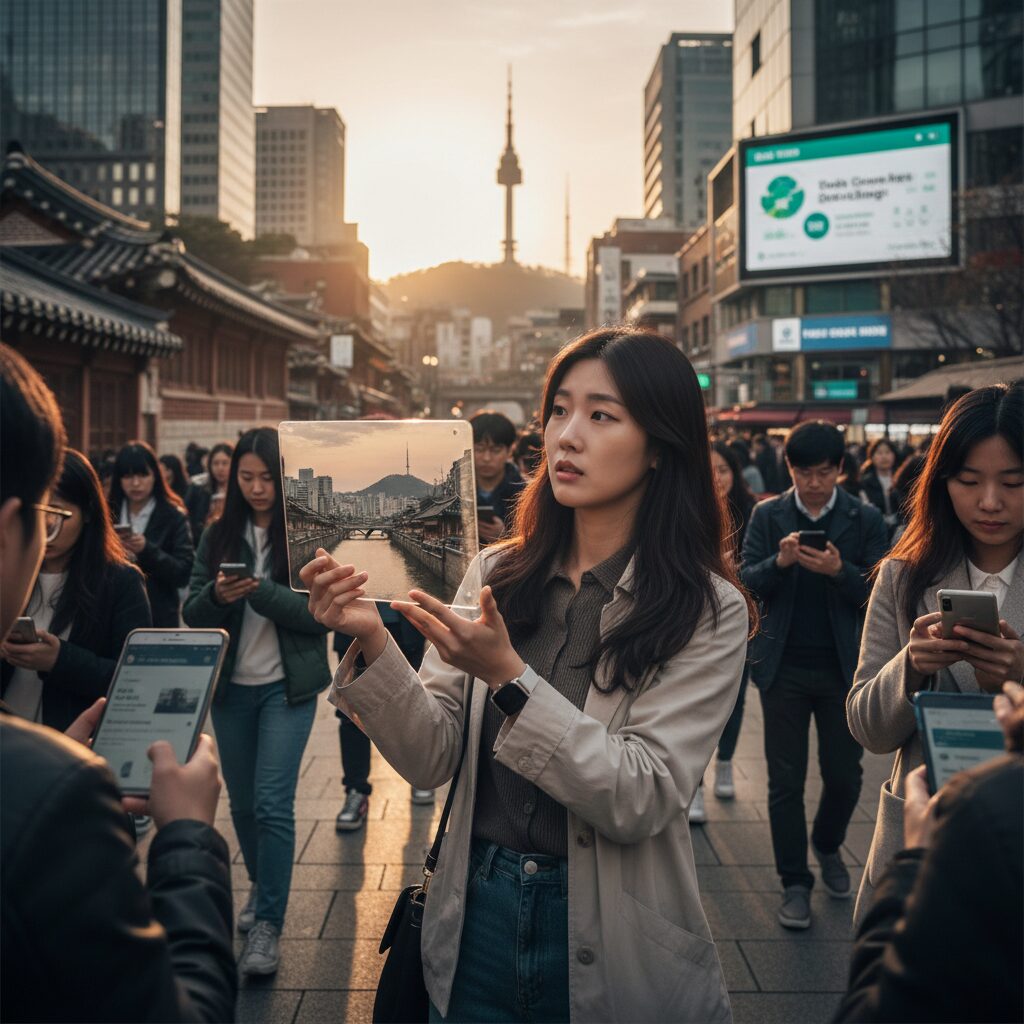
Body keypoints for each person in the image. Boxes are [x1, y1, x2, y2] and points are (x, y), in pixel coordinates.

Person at [302, 328, 752, 1023]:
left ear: (660, 446)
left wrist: (509, 677)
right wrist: (369, 637)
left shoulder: (705, 607)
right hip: (476, 905)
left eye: (602, 415)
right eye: (559, 411)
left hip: (613, 921)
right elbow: (430, 756)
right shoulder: (496, 574)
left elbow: (643, 795)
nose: (567, 436)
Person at [0, 343, 236, 1022]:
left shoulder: (115, 579)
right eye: (42, 521)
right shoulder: (47, 797)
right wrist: (188, 836)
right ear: (12, 525)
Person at [846, 381, 1023, 923]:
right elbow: (867, 726)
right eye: (969, 481)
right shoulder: (904, 575)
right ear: (942, 482)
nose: (989, 501)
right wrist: (911, 666)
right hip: (921, 843)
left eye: (1014, 482)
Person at [183, 426, 331, 976]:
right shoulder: (217, 537)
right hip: (230, 691)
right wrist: (218, 596)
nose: (256, 487)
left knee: (272, 804)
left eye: (267, 477)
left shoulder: (307, 537)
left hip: (285, 690)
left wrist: (262, 592)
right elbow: (193, 613)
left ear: (283, 477)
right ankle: (262, 890)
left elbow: (318, 617)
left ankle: (268, 920)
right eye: (246, 478)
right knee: (242, 807)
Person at [741, 420, 888, 930]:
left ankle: (827, 843)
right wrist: (778, 564)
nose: (814, 484)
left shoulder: (863, 517)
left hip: (845, 670)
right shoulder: (768, 514)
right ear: (791, 470)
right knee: (784, 781)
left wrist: (838, 572)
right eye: (804, 473)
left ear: (840, 470)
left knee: (846, 776)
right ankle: (794, 883)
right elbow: (744, 585)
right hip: (782, 668)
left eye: (824, 473)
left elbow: (879, 593)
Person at [834, 680, 1023, 1022]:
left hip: (942, 858)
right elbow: (867, 726)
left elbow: (873, 1010)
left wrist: (914, 865)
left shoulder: (981, 806)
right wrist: (910, 669)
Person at [1, 449, 151, 731]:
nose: (47, 529)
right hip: (10, 740)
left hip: (73, 745)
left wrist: (60, 660)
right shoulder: (11, 570)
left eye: (59, 514)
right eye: (39, 513)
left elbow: (136, 678)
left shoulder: (120, 582)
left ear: (88, 513)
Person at [687, 441, 759, 822]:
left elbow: (765, 573)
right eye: (710, 470)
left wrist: (736, 574)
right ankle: (693, 784)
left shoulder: (753, 515)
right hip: (693, 622)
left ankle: (727, 763)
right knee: (693, 705)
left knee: (735, 703)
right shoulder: (686, 512)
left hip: (740, 623)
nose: (717, 478)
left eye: (724, 470)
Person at [333, 608, 431, 832]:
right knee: (351, 713)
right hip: (352, 623)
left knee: (413, 704)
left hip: (404, 621)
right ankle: (356, 790)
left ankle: (421, 775)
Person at [109, 441, 194, 628]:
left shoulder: (173, 516)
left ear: (155, 475)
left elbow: (183, 571)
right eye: (128, 476)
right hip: (113, 614)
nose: (136, 483)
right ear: (119, 479)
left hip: (158, 617)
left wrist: (146, 549)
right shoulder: (108, 512)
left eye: (142, 475)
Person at [470, 410, 525, 545]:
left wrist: (506, 537)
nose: (486, 458)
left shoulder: (525, 493)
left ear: (510, 451)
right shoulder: (458, 490)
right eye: (479, 449)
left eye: (495, 450)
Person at [186, 441, 233, 540]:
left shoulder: (240, 490)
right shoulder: (198, 489)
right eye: (216, 463)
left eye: (225, 463)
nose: (220, 468)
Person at [859, 437, 902, 535]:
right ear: (872, 457)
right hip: (875, 530)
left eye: (887, 452)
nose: (884, 457)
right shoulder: (865, 482)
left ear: (894, 455)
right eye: (879, 453)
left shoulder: (901, 479)